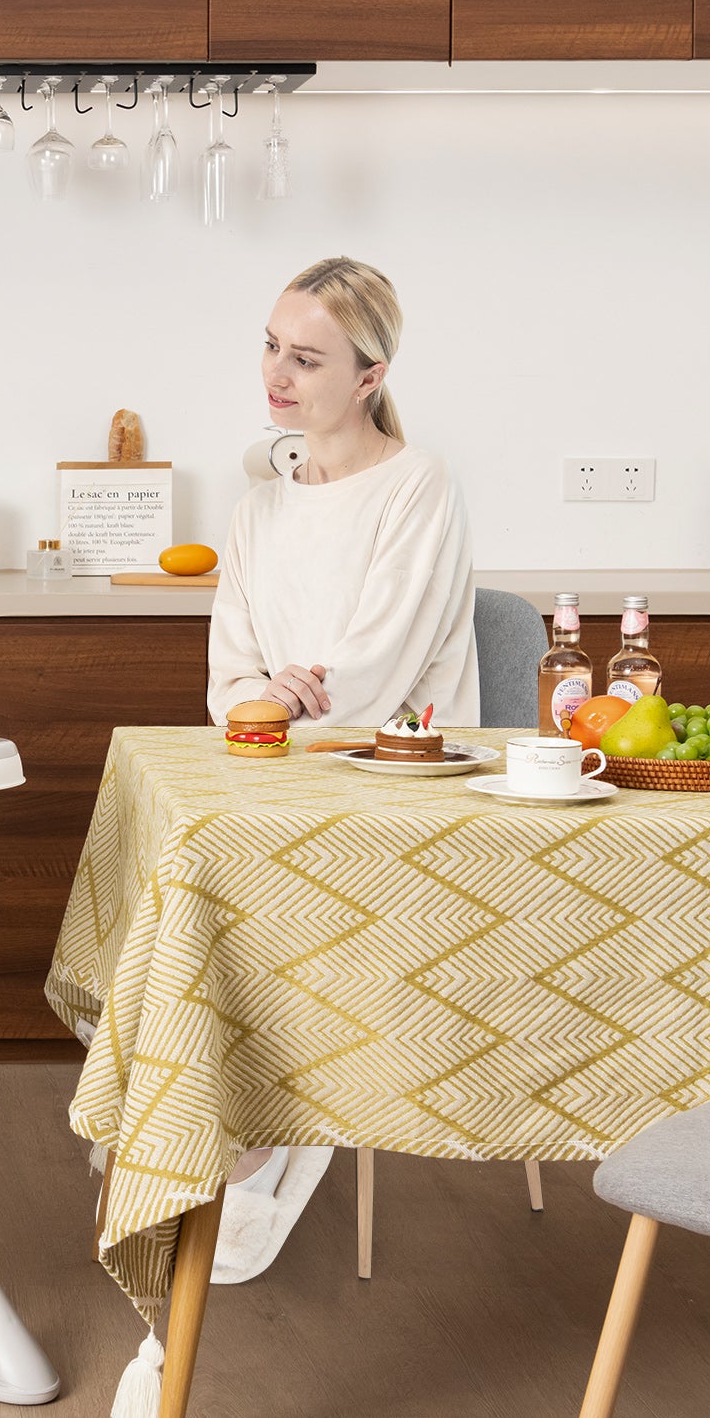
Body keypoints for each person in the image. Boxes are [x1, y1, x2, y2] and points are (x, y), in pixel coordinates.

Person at [206, 256, 479, 1284]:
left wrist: (283, 697)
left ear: (368, 376)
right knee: (176, 870)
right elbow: (227, 673)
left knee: (257, 888)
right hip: (274, 764)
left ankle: (260, 1125)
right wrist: (261, 701)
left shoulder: (419, 484)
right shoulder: (256, 508)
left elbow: (377, 664)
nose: (278, 375)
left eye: (306, 357)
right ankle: (201, 1099)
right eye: (272, 347)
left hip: (391, 779)